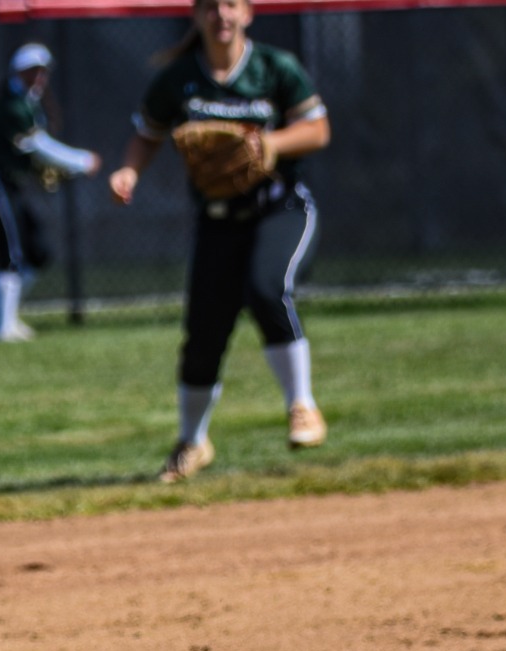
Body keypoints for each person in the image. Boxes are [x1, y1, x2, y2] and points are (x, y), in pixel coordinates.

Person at [107, 0, 332, 483]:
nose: (221, 16)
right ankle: (192, 442)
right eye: (210, 6)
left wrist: (272, 144)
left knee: (266, 287)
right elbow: (147, 132)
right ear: (196, 15)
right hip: (217, 218)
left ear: (248, 13)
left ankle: (302, 406)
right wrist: (129, 171)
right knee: (204, 331)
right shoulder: (180, 78)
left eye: (231, 4)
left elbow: (317, 129)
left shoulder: (274, 67)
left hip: (279, 207)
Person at [0, 42, 101, 342]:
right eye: (33, 70)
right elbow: (39, 146)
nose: (40, 77)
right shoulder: (13, 104)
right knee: (10, 254)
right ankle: (2, 327)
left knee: (38, 252)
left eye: (43, 71)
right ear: (18, 71)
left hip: (14, 184)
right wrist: (81, 161)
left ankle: (4, 316)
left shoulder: (30, 102)